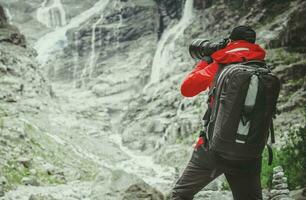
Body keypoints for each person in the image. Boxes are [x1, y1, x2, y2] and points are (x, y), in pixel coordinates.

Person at [172, 26, 266, 200]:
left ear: (231, 41)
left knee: (181, 194)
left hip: (214, 150)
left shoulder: (221, 63)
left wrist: (205, 61)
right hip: (249, 152)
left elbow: (187, 89)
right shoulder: (263, 69)